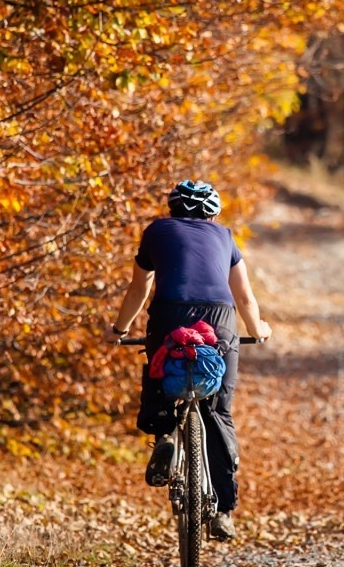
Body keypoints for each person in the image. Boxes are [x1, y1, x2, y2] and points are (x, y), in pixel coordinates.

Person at [107, 180, 272, 542]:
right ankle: (224, 512)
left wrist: (119, 329)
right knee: (218, 409)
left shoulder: (156, 231)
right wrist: (258, 329)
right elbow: (244, 297)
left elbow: (140, 288)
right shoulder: (225, 236)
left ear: (172, 210)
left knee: (158, 368)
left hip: (169, 313)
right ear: (212, 212)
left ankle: (164, 432)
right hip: (218, 318)